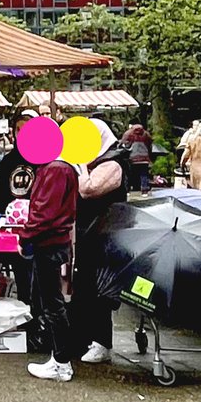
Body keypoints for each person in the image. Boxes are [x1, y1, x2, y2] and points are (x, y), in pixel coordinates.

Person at [72, 120, 130, 366]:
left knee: (99, 289)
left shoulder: (113, 163)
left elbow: (88, 189)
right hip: (88, 233)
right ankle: (84, 338)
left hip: (106, 235)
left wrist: (81, 165)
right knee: (84, 284)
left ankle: (102, 342)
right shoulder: (99, 161)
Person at [21, 158, 79, 382]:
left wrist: (25, 235)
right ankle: (60, 360)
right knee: (52, 302)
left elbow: (45, 212)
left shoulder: (55, 170)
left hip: (49, 243)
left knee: (52, 304)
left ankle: (61, 363)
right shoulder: (61, 168)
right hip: (54, 241)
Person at [121, 124, 153, 194]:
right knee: (144, 174)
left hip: (131, 158)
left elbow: (124, 145)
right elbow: (150, 145)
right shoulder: (146, 134)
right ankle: (144, 190)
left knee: (129, 174)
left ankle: (128, 190)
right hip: (144, 158)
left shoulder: (128, 133)